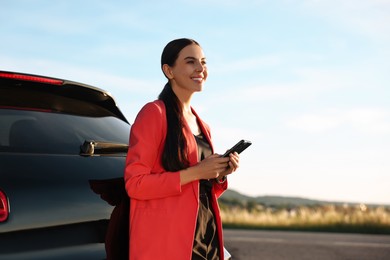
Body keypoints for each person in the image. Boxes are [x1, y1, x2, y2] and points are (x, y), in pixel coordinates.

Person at [124, 38, 240, 260]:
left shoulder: (202, 124)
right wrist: (198, 171)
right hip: (168, 240)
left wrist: (219, 174)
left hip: (206, 234)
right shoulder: (154, 113)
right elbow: (135, 184)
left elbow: (198, 190)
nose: (200, 69)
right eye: (190, 62)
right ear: (169, 71)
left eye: (203, 62)